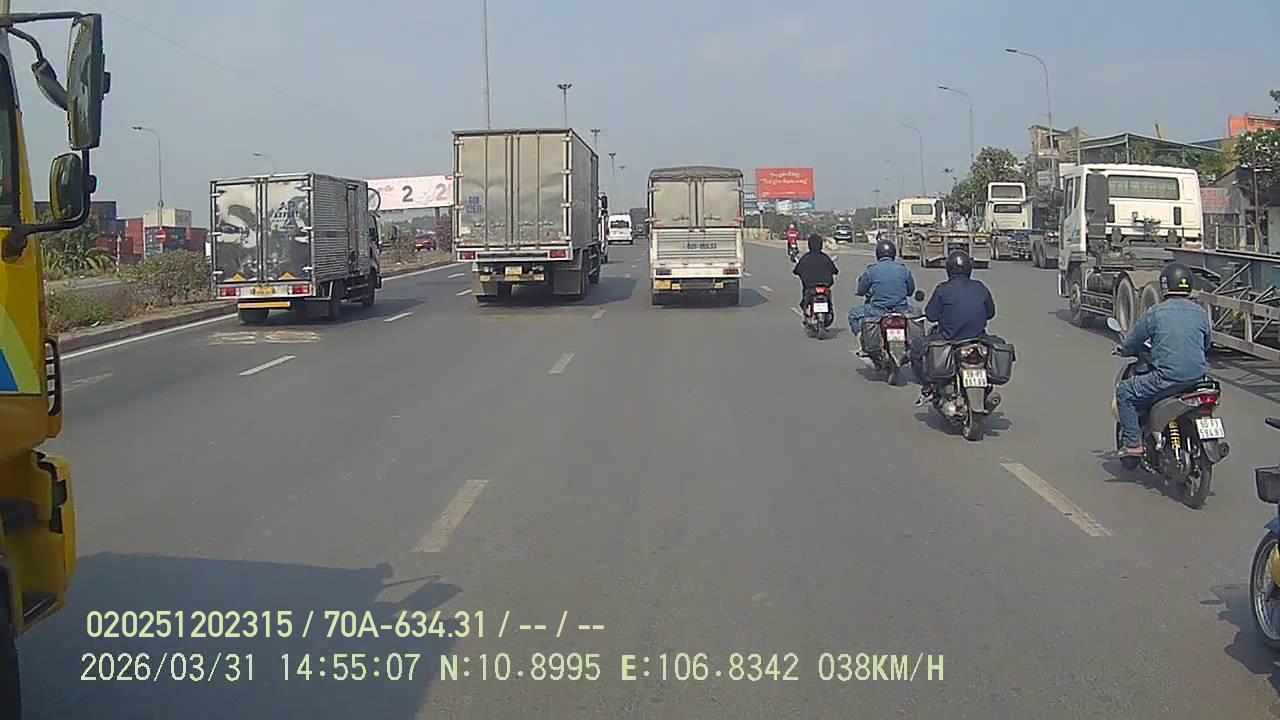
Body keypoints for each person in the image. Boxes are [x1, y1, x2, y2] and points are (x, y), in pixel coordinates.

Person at [1113, 263, 1211, 458]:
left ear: (1165, 285)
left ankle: (1133, 444)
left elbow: (1134, 340)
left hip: (1166, 379)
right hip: (1199, 379)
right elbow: (1206, 343)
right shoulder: (1200, 312)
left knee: (1124, 392)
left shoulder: (1156, 313)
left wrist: (1123, 350)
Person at [910, 249, 996, 404]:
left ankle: (927, 386)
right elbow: (991, 313)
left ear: (948, 269)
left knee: (916, 345)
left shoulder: (943, 289)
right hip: (979, 338)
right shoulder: (981, 287)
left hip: (950, 338)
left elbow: (931, 315)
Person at [848, 238, 917, 334]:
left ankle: (862, 337)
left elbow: (861, 290)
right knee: (919, 314)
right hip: (901, 309)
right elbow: (910, 291)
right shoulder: (904, 269)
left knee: (853, 315)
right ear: (894, 253)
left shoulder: (871, 270)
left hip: (878, 310)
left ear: (878, 254)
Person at [792, 233, 839, 314]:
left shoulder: (806, 258)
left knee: (805, 296)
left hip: (809, 285)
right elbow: (835, 270)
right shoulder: (825, 257)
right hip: (826, 284)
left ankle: (807, 309)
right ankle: (829, 308)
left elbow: (797, 270)